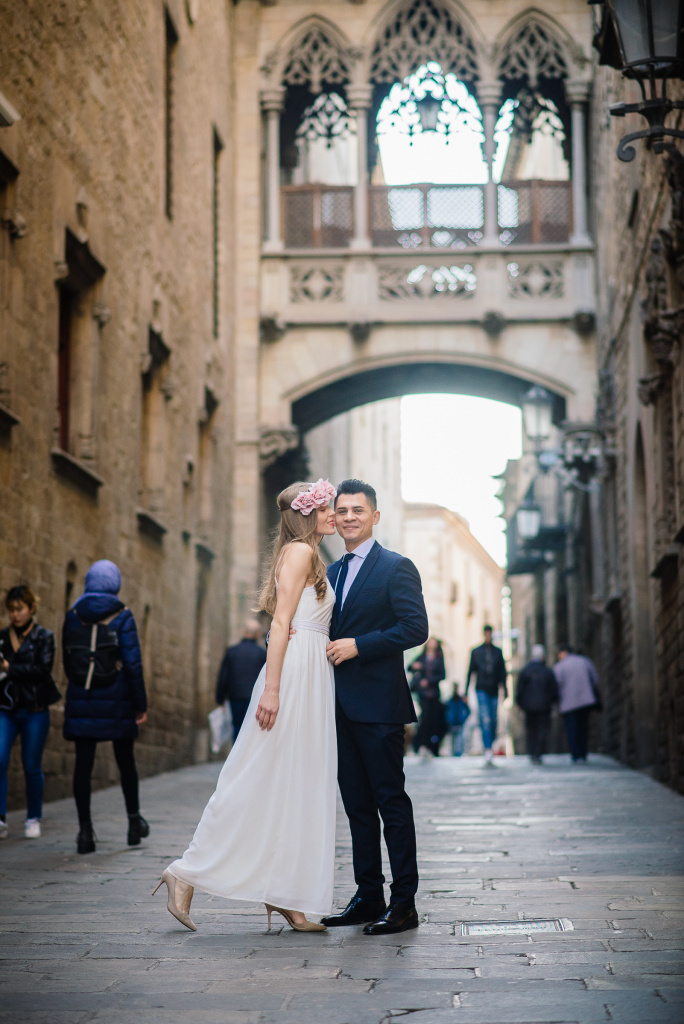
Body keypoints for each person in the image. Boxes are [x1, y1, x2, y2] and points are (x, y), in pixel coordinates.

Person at [157, 479, 338, 934]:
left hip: (311, 673)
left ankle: (286, 894)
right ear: (307, 515)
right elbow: (280, 622)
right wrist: (272, 689)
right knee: (254, 776)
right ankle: (185, 872)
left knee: (296, 784)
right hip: (293, 676)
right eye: (326, 509)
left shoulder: (309, 554)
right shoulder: (300, 553)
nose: (333, 515)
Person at [321, 479, 429, 936]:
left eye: (358, 510)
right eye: (343, 511)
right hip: (338, 708)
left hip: (381, 707)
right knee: (357, 808)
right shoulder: (329, 573)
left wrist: (359, 646)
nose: (349, 517)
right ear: (333, 518)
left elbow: (415, 628)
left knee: (391, 804)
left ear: (375, 517)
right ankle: (369, 896)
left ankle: (404, 904)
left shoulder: (395, 567)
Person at [62, 560, 149, 854]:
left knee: (82, 765)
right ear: (115, 584)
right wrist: (140, 704)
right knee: (125, 762)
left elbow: (66, 660)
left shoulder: (73, 615)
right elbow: (133, 664)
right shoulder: (123, 616)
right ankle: (134, 823)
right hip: (118, 698)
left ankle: (85, 833)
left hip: (82, 696)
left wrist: (79, 683)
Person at [0, 585, 60, 840]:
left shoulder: (44, 637)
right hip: (6, 708)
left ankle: (33, 817)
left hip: (35, 709)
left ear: (31, 608)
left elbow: (43, 671)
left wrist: (10, 668)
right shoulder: (2, 637)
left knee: (31, 765)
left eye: (20, 609)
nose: (15, 614)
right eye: (11, 610)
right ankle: (0, 818)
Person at [215, 619, 266, 740]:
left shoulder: (232, 652)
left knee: (237, 727)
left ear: (243, 631)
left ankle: (236, 750)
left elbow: (224, 676)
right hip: (254, 697)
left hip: (235, 696)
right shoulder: (262, 653)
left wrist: (219, 698)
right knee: (252, 729)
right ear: (258, 634)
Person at [466, 624, 507, 764]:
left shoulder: (498, 652)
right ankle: (487, 747)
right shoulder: (476, 652)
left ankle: (491, 742)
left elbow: (502, 672)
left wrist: (505, 690)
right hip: (481, 689)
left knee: (494, 719)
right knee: (485, 718)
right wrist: (466, 691)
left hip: (494, 689)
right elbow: (470, 671)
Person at [553, 643, 599, 763]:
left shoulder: (559, 666)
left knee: (572, 729)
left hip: (569, 703)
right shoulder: (585, 661)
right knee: (583, 727)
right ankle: (583, 753)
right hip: (585, 701)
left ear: (563, 653)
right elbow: (595, 679)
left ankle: (576, 754)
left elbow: (556, 685)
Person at [515, 644, 558, 765]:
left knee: (531, 729)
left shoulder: (525, 671)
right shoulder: (547, 671)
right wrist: (553, 701)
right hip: (544, 706)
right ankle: (538, 752)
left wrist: (520, 703)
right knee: (542, 729)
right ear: (543, 657)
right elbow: (553, 689)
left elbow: (520, 689)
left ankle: (532, 752)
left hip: (529, 707)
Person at [409, 638, 447, 756]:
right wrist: (416, 666)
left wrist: (429, 681)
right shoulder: (422, 657)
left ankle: (430, 747)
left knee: (433, 720)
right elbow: (410, 667)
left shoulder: (439, 658)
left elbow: (443, 675)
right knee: (424, 718)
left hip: (434, 694)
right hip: (423, 695)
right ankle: (422, 745)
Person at [445, 684, 470, 757]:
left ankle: (458, 754)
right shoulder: (450, 701)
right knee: (452, 740)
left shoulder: (461, 701)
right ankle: (453, 754)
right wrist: (448, 720)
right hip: (451, 724)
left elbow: (468, 711)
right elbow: (446, 712)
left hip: (459, 723)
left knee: (459, 740)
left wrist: (463, 719)